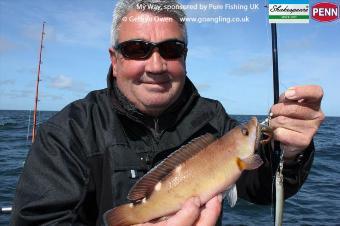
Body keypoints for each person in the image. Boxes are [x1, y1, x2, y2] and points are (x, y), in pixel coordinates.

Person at [10, 0, 324, 225]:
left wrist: (291, 151)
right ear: (114, 59)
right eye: (136, 49)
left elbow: (260, 186)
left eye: (171, 50)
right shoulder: (66, 132)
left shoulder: (214, 118)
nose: (157, 65)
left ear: (185, 56)